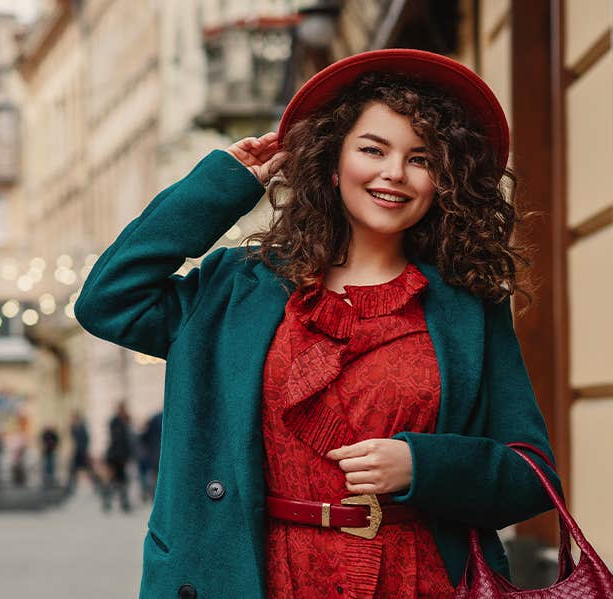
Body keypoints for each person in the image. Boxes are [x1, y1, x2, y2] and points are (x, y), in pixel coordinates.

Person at [75, 49, 559, 598]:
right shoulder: (238, 290)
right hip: (254, 578)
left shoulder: (467, 306)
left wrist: (423, 465)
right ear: (332, 163)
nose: (393, 173)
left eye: (421, 159)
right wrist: (224, 185)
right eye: (372, 149)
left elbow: (533, 476)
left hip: (418, 580)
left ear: (444, 178)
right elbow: (108, 301)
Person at [102, 402, 134, 513]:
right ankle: (109, 503)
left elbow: (128, 442)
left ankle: (123, 503)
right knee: (114, 480)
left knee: (121, 481)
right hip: (115, 457)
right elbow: (118, 440)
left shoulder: (124, 422)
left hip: (120, 456)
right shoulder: (116, 422)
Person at [64, 412, 103, 497]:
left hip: (82, 454)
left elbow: (86, 440)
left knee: (89, 472)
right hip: (77, 454)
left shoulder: (82, 428)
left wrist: (84, 451)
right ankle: (70, 489)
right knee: (73, 471)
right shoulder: (74, 428)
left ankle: (98, 485)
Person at [136, 411, 162, 502]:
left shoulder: (155, 419)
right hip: (158, 454)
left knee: (154, 476)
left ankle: (154, 495)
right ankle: (155, 495)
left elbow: (144, 439)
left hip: (154, 454)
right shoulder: (164, 418)